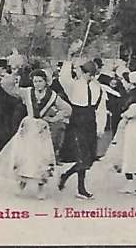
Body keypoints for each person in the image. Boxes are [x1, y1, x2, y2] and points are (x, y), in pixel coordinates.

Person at [0, 69, 71, 199]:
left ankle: (41, 187)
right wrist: (15, 73)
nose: (37, 84)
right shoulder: (27, 92)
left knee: (41, 158)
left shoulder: (53, 96)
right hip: (28, 127)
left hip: (41, 129)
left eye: (40, 81)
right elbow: (7, 86)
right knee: (24, 156)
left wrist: (53, 118)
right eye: (35, 81)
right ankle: (21, 183)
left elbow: (67, 109)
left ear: (46, 82)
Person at [56, 58, 107, 200]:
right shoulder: (73, 85)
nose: (90, 77)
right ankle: (81, 189)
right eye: (88, 74)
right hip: (77, 123)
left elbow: (101, 109)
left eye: (93, 75)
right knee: (81, 157)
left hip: (91, 123)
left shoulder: (98, 88)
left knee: (88, 159)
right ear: (82, 72)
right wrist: (69, 61)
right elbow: (63, 78)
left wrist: (100, 128)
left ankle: (66, 175)